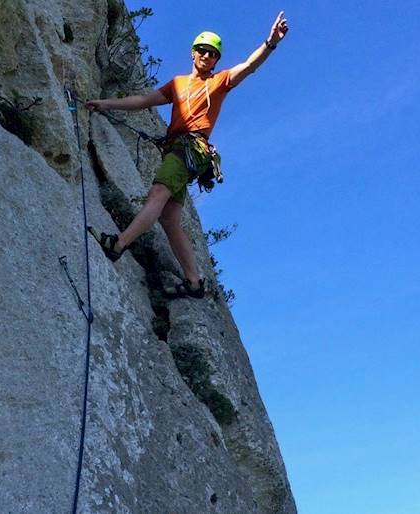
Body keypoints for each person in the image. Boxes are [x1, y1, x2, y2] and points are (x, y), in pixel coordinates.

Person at [85, 11, 289, 299]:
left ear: (216, 60)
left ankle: (118, 245)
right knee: (168, 218)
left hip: (191, 148)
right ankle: (194, 283)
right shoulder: (178, 84)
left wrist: (270, 42)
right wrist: (106, 104)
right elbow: (144, 100)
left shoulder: (217, 83)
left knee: (157, 192)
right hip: (179, 149)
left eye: (213, 54)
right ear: (194, 53)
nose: (208, 57)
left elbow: (248, 67)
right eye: (203, 51)